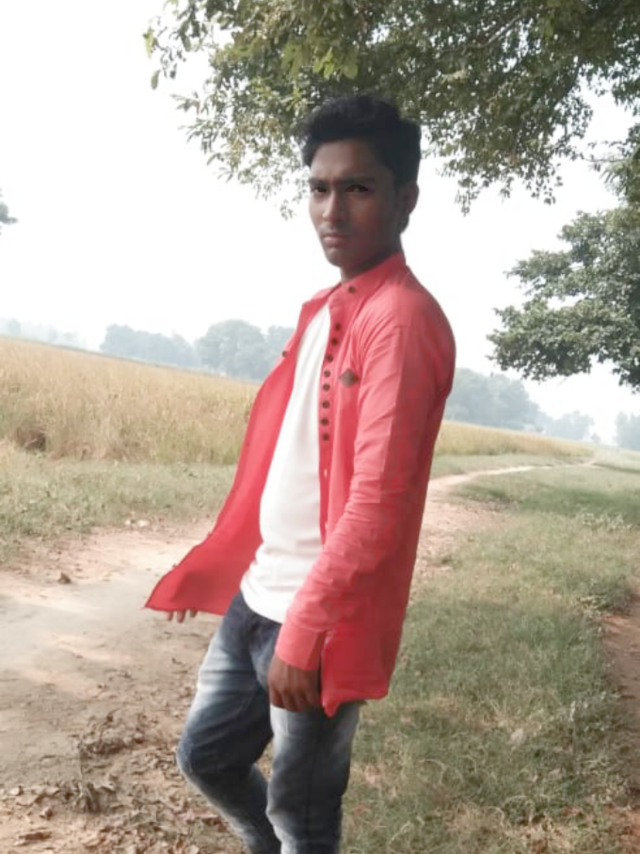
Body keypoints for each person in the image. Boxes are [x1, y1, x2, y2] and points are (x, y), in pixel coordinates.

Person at [145, 94, 456, 854]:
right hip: (257, 596)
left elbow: (377, 505)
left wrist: (308, 629)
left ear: (405, 199)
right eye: (319, 188)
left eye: (358, 188)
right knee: (206, 757)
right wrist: (215, 565)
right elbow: (284, 462)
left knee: (304, 817)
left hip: (316, 621)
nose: (331, 211)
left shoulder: (402, 321)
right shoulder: (326, 307)